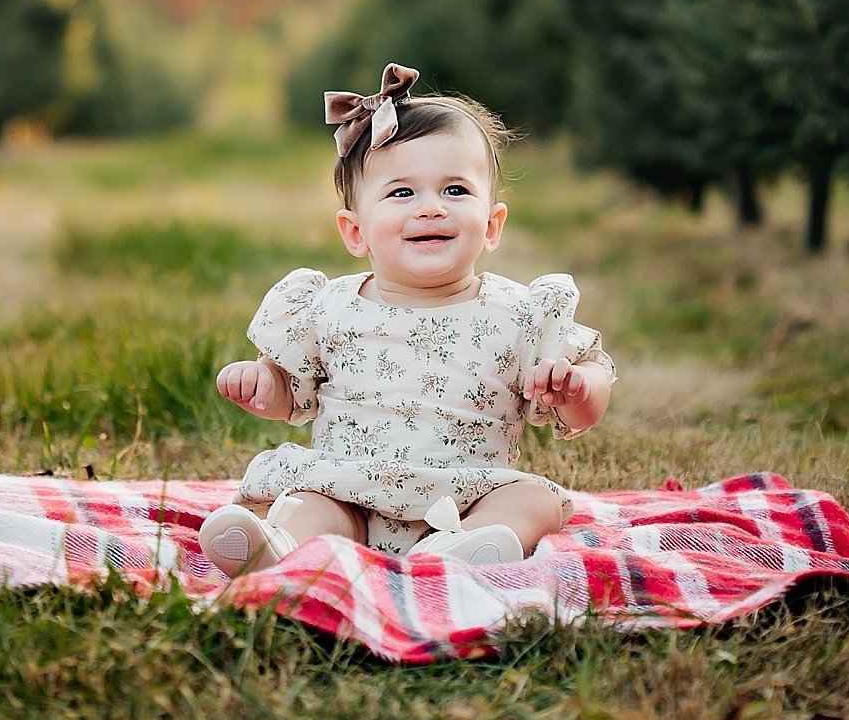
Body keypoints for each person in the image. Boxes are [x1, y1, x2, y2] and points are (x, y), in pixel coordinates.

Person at [199, 62, 615, 575]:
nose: (431, 209)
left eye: (456, 191)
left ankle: (464, 550)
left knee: (534, 500)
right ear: (356, 233)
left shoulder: (521, 313)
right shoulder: (329, 307)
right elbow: (290, 393)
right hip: (348, 485)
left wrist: (576, 388)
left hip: (468, 494)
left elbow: (591, 393)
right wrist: (263, 382)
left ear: (492, 224)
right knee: (309, 503)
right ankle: (283, 549)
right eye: (402, 193)